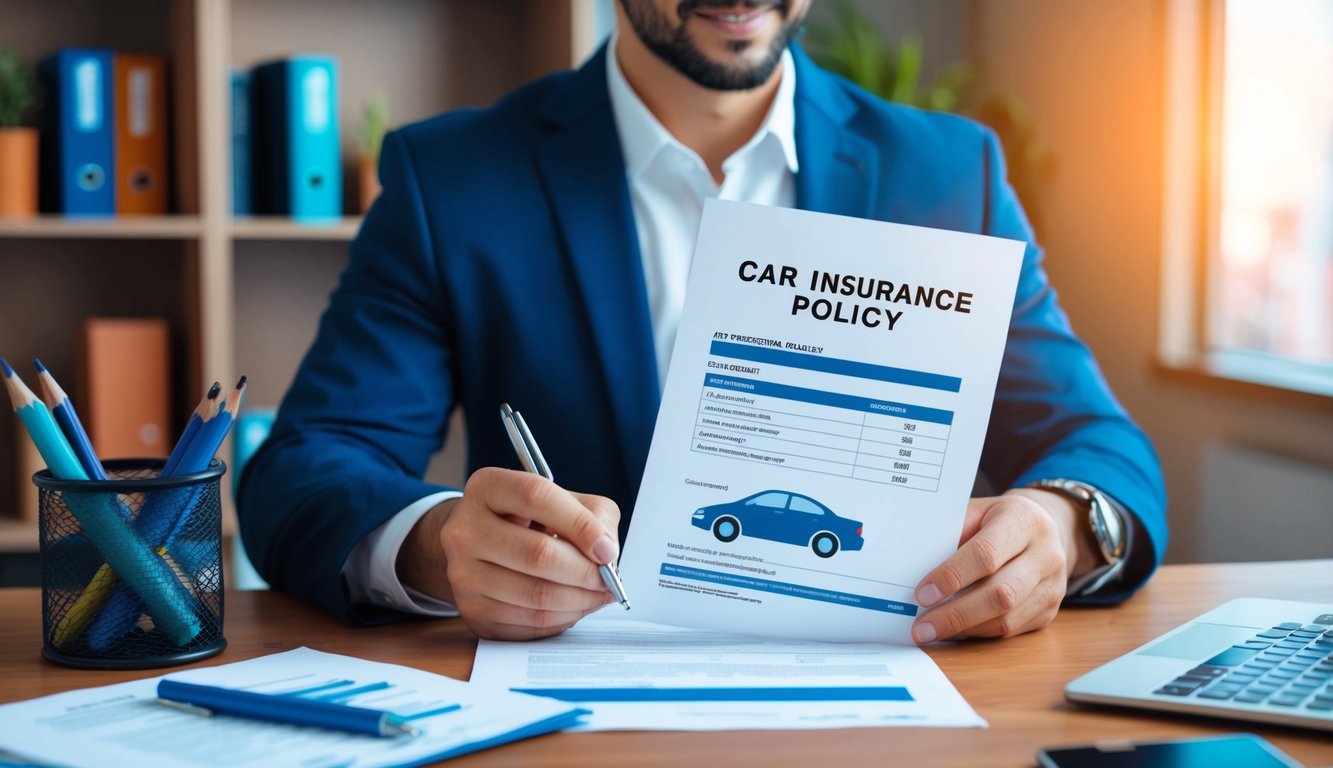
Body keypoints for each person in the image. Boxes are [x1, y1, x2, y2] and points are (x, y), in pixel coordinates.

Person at [238, 0, 1168, 644]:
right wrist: (439, 549)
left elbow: (1093, 439)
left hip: (890, 707)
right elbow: (304, 471)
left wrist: (1064, 524)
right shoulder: (454, 180)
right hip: (581, 727)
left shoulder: (947, 170)